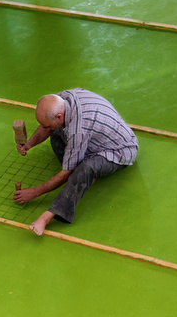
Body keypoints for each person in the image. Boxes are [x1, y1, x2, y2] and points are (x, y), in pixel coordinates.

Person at [13, 88, 138, 235]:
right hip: (95, 139)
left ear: (59, 116)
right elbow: (46, 129)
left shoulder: (78, 129)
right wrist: (29, 144)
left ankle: (47, 217)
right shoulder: (62, 99)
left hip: (118, 150)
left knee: (86, 168)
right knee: (55, 133)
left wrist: (34, 192)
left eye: (46, 125)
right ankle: (80, 174)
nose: (45, 128)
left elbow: (66, 173)